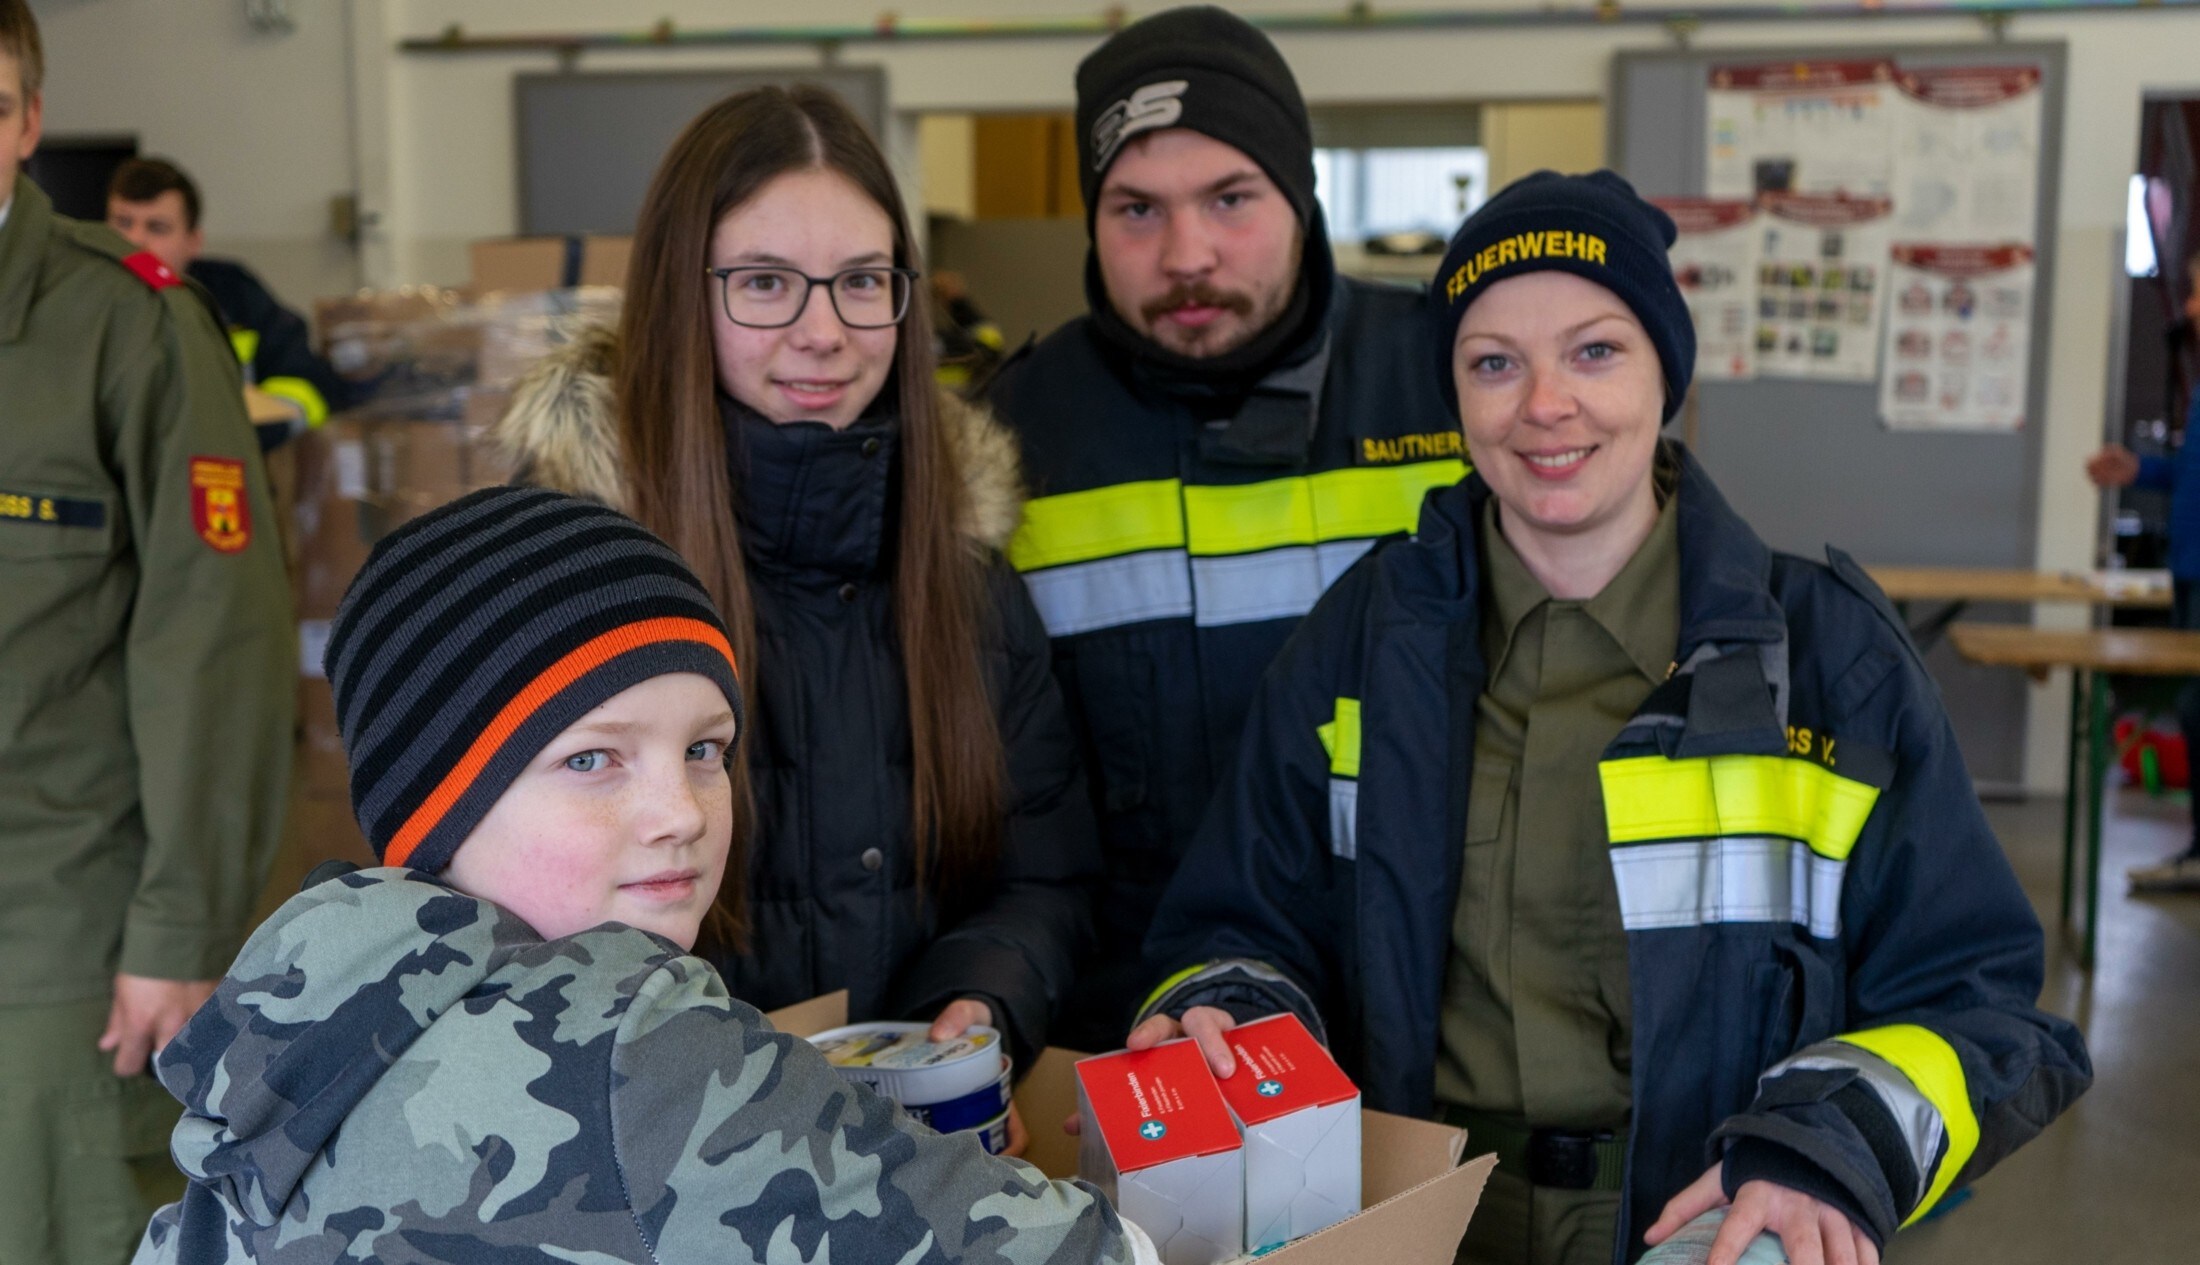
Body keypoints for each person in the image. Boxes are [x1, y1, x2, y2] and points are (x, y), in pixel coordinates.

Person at [1131, 171, 2092, 1265]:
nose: (1544, 403)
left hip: (1708, 1224)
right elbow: (1239, 914)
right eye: (1494, 362)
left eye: (1595, 350)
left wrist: (1822, 1144)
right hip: (1416, 1215)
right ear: (1454, 396)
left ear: (1667, 378)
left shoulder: (1831, 664)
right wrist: (1227, 1007)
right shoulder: (1361, 639)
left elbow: (1977, 998)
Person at [131, 486, 1158, 1264]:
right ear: (439, 798)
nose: (681, 812)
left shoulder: (302, 996)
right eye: (592, 757)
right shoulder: (631, 1042)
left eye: (705, 748)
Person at [496, 85, 1098, 1146]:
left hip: (913, 1158)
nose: (823, 332)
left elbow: (1040, 872)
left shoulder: (964, 571)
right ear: (684, 295)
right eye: (766, 283)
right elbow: (508, 921)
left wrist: (978, 1005)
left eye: (862, 282)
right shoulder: (563, 573)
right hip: (649, 1160)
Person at [986, 6, 1464, 1051]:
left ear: (1301, 197)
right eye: (1137, 210)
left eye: (1230, 198)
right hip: (1136, 1037)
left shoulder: (1449, 385)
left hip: (1431, 1025)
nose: (1187, 252)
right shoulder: (1007, 440)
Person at [0, 3, 295, 1261]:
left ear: (23, 120)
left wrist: (184, 932)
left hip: (56, 926)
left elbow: (210, 642)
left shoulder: (128, 324)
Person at [2085, 249, 2200, 891]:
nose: (2187, 306)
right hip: (2188, 569)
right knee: (2194, 710)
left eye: (2197, 293)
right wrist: (2140, 472)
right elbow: (2193, 474)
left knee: (2196, 706)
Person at [107, 154, 349, 441]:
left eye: (157, 228)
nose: (135, 241)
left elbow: (307, 385)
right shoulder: (78, 300)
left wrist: (250, 432)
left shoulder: (235, 294)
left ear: (193, 242)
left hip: (224, 466)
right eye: (123, 223)